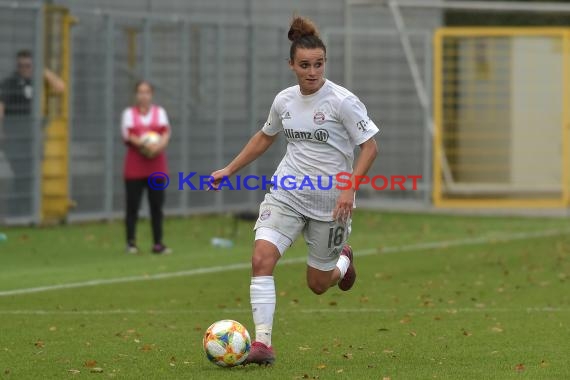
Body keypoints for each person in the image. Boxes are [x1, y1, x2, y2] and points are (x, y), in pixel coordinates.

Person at [209, 16, 380, 365]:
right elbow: (265, 137)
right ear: (291, 65)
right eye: (305, 65)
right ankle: (263, 345)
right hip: (286, 193)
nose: (312, 71)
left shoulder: (342, 102)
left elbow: (370, 147)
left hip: (331, 204)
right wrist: (229, 169)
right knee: (261, 259)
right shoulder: (284, 100)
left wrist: (348, 188)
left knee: (318, 284)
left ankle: (343, 263)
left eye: (318, 64)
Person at [0, 49, 65, 218]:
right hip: (14, 138)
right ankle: (18, 213)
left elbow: (60, 87)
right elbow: (1, 106)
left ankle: (25, 212)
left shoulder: (39, 81)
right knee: (22, 173)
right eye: (21, 66)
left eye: (28, 66)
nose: (25, 69)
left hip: (34, 138)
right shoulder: (10, 83)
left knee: (30, 174)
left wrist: (43, 71)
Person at [121, 80, 172, 255]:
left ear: (151, 94)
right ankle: (131, 242)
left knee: (156, 206)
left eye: (147, 92)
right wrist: (144, 144)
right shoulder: (129, 114)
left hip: (156, 167)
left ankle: (158, 243)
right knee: (132, 206)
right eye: (140, 92)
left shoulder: (160, 113)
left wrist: (158, 146)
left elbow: (166, 133)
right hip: (135, 168)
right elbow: (128, 134)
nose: (144, 95)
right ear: (136, 95)